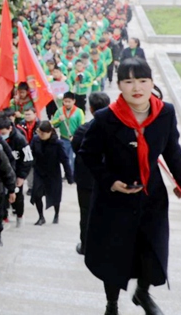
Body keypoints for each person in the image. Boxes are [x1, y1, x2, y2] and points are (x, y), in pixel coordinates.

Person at [79, 58, 181, 315]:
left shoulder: (165, 113)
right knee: (114, 255)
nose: (136, 87)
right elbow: (88, 154)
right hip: (114, 199)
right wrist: (110, 182)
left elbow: (173, 149)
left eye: (142, 80)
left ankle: (142, 292)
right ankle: (112, 304)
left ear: (152, 82)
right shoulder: (106, 118)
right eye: (128, 81)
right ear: (119, 85)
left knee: (151, 248)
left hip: (151, 195)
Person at [70, 91, 110, 255]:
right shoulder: (117, 129)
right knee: (106, 212)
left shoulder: (83, 130)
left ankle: (86, 246)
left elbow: (76, 148)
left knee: (86, 212)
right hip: (109, 180)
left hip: (86, 179)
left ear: (91, 109)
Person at [29, 121, 73, 225]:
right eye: (39, 132)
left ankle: (56, 214)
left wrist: (69, 176)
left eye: (43, 133)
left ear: (50, 132)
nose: (41, 135)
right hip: (39, 171)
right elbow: (31, 153)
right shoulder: (36, 140)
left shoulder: (57, 143)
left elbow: (65, 160)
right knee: (37, 194)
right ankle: (41, 216)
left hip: (53, 172)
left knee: (55, 195)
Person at [0, 117, 32, 230]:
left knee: (17, 197)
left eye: (4, 133)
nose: (2, 135)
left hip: (16, 173)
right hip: (2, 173)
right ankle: (3, 218)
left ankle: (20, 216)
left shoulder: (19, 139)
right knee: (2, 197)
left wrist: (22, 176)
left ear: (10, 128)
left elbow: (28, 159)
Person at [51, 91, 84, 171]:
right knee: (65, 157)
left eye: (69, 101)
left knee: (73, 157)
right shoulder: (59, 111)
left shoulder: (79, 112)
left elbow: (82, 127)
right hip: (64, 138)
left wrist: (76, 137)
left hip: (75, 139)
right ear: (62, 101)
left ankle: (73, 174)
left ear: (74, 101)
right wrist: (59, 120)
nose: (67, 103)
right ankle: (68, 173)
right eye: (65, 101)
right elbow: (53, 124)